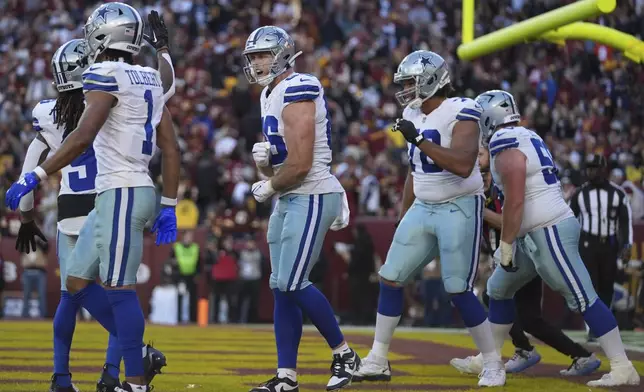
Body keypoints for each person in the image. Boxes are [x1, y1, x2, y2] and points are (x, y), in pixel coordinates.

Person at [4, 4, 181, 392]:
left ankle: (133, 380)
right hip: (119, 193)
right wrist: (163, 49)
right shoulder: (148, 77)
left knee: (119, 289)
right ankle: (135, 356)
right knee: (77, 280)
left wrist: (33, 176)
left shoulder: (102, 75)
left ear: (102, 36)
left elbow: (82, 135)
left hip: (121, 191)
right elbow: (168, 93)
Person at [353, 50, 505, 387]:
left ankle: (493, 363)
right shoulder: (412, 112)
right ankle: (377, 358)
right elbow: (414, 171)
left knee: (458, 289)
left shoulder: (462, 109)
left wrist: (418, 139)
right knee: (390, 277)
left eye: (410, 81)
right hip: (423, 205)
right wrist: (403, 214)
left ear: (433, 79)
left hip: (459, 206)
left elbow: (464, 164)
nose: (406, 89)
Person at [479, 89, 640, 387]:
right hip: (535, 230)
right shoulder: (527, 134)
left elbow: (515, 199)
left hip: (547, 228)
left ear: (490, 118)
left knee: (582, 297)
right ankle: (488, 356)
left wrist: (506, 243)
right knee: (499, 288)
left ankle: (622, 365)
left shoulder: (503, 140)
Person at [244, 25, 356, 392]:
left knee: (292, 281)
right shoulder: (269, 93)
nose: (256, 62)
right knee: (281, 286)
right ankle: (286, 376)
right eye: (253, 57)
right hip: (291, 195)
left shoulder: (298, 86)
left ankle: (344, 354)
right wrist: (266, 166)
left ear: (281, 54)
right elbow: (284, 161)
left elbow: (302, 163)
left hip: (310, 192)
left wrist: (270, 183)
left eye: (261, 54)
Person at [451, 144, 601, 377]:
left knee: (493, 297)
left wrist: (480, 211)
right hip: (511, 257)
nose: (483, 179)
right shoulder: (477, 194)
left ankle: (517, 351)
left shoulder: (500, 190)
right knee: (529, 318)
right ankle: (579, 355)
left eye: (485, 173)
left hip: (524, 253)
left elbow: (510, 220)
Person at [570, 153, 633, 340]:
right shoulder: (579, 193)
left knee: (606, 286)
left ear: (603, 169)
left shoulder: (618, 193)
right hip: (588, 243)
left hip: (609, 244)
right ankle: (593, 328)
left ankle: (603, 326)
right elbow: (569, 219)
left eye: (594, 168)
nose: (591, 172)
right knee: (590, 286)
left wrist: (627, 244)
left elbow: (625, 221)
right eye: (588, 168)